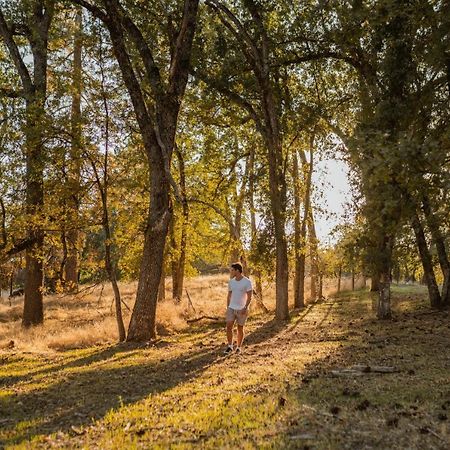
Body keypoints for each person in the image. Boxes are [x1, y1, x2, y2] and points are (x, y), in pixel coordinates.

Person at [224, 262, 252, 354]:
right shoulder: (231, 282)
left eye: (232, 270)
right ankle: (230, 346)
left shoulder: (247, 282)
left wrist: (245, 307)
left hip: (242, 309)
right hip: (231, 308)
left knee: (240, 328)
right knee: (229, 326)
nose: (231, 272)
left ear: (237, 270)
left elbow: (249, 296)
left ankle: (239, 347)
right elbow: (229, 295)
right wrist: (228, 307)